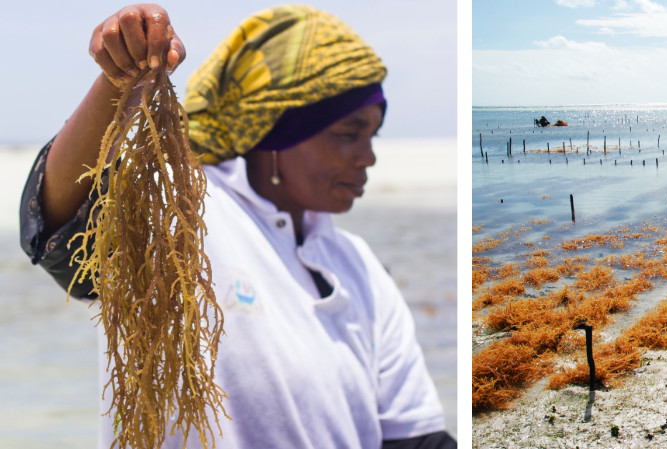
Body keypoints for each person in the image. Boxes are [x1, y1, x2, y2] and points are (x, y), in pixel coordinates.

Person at [18, 4, 455, 448]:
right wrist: (118, 83)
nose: (368, 157)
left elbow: (414, 438)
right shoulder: (180, 212)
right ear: (277, 129)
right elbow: (53, 229)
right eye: (348, 133)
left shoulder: (359, 266)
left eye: (372, 136)